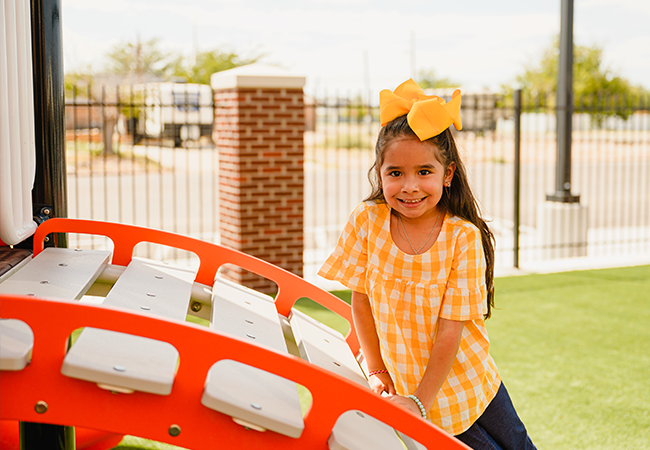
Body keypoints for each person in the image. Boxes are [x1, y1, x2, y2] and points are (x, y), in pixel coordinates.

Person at [318, 79, 536, 450]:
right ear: (380, 172)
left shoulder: (461, 237)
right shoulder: (367, 221)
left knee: (518, 444)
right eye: (395, 173)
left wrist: (421, 400)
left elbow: (451, 330)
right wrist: (377, 369)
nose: (409, 187)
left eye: (424, 172)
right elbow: (362, 301)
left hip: (469, 377)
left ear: (447, 174)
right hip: (412, 387)